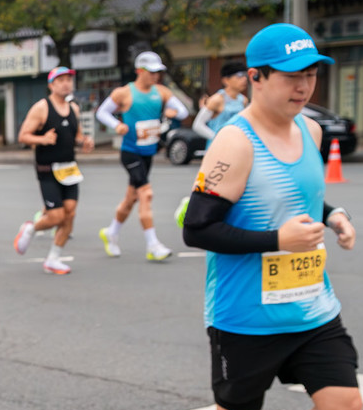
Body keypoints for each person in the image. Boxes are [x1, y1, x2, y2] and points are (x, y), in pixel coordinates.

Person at [174, 24, 360, 410]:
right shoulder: (235, 141)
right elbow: (200, 228)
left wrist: (336, 216)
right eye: (291, 76)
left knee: (343, 403)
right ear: (256, 77)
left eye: (310, 74)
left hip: (311, 305)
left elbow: (305, 199)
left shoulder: (311, 131)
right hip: (246, 316)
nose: (304, 86)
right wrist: (277, 240)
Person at [95, 50, 187, 262]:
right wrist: (116, 125)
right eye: (152, 72)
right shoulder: (124, 93)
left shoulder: (162, 92)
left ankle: (111, 232)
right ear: (140, 71)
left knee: (131, 198)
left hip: (148, 153)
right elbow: (102, 112)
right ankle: (152, 244)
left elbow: (182, 111)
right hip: (130, 152)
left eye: (158, 72)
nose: (155, 76)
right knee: (146, 194)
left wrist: (172, 113)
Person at [14, 66, 94, 275]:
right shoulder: (41, 108)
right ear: (51, 85)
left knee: (70, 215)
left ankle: (53, 259)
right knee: (56, 216)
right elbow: (23, 135)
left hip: (69, 170)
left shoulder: (74, 108)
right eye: (61, 80)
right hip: (47, 169)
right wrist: (42, 139)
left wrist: (84, 142)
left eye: (68, 79)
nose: (66, 83)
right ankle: (31, 228)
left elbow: (76, 135)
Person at [192, 61, 249, 142]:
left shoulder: (243, 100)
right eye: (239, 76)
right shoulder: (216, 100)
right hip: (218, 148)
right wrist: (217, 138)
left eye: (245, 75)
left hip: (237, 145)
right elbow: (197, 125)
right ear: (226, 80)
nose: (244, 79)